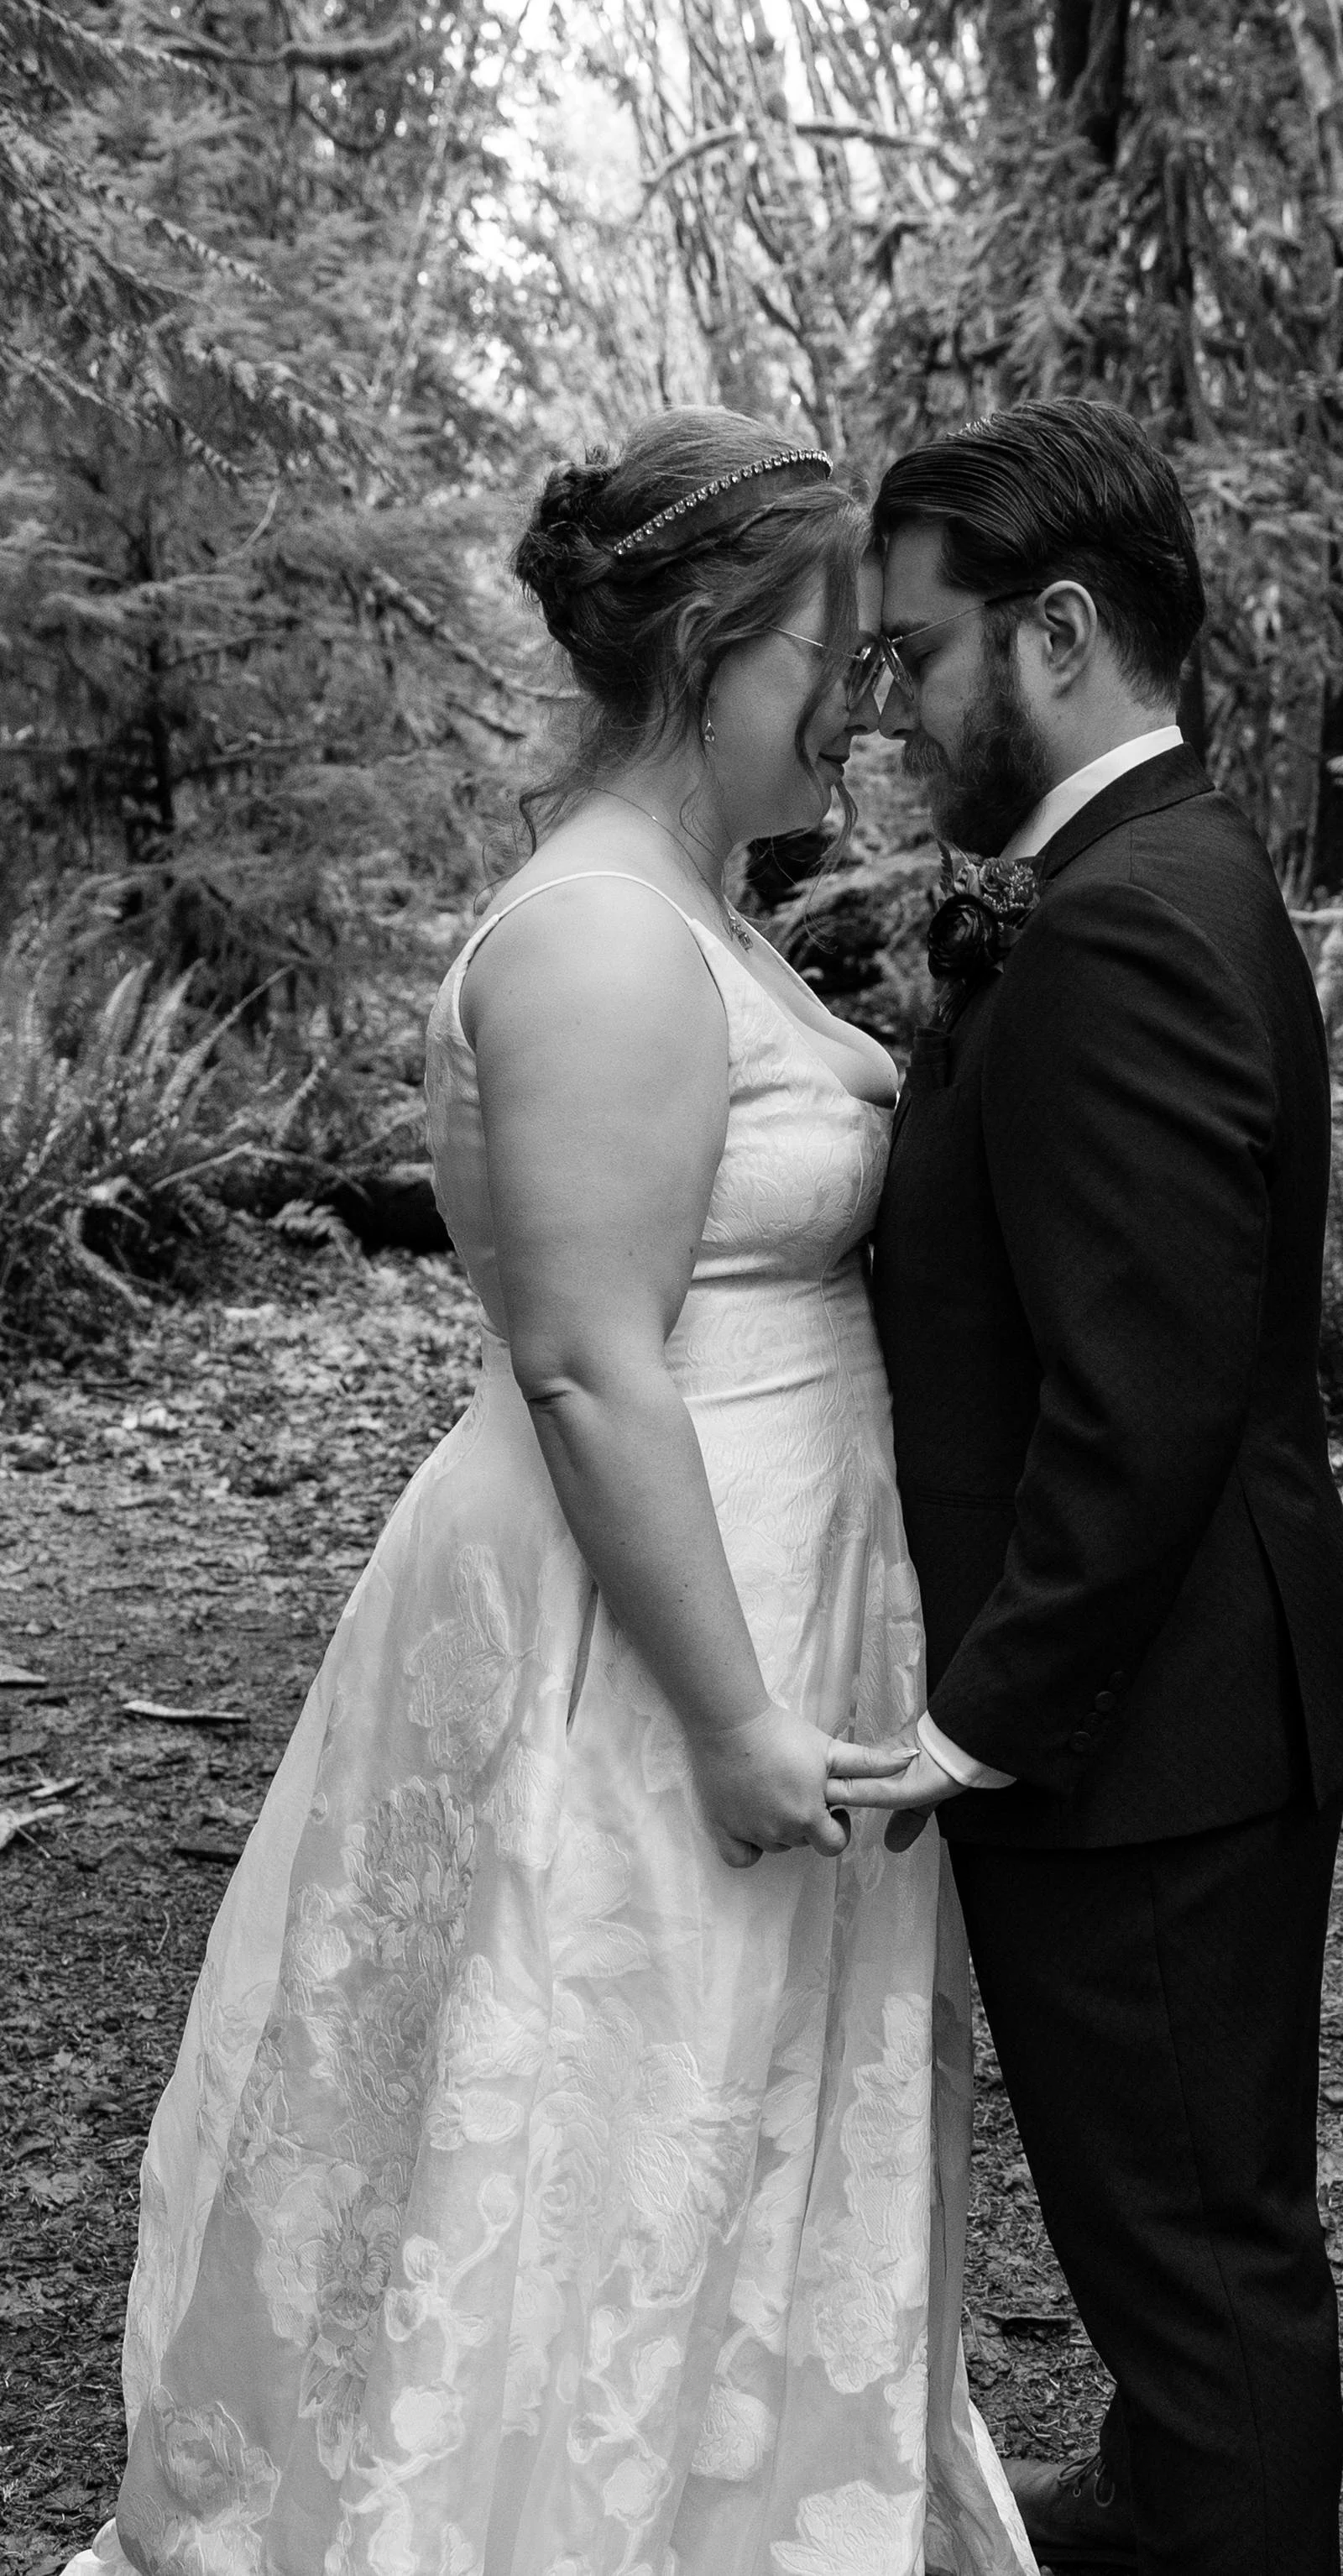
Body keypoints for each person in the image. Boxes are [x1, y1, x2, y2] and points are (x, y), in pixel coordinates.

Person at [66, 411, 1035, 2576]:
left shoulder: (694, 905)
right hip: (639, 1635)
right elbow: (595, 1364)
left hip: (741, 1574)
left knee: (687, 2125)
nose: (864, 703)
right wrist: (733, 1717)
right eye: (833, 654)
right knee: (604, 2109)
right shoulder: (600, 936)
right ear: (710, 647)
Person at [829, 401, 1343, 2576]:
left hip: (1139, 1738)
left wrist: (984, 1712)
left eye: (916, 649)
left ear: (1055, 633)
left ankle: (1210, 2496)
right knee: (1197, 2213)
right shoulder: (1170, 868)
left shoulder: (1124, 922)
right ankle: (1164, 2498)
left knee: (1202, 2257)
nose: (889, 702)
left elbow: (1141, 1401)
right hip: (1188, 1708)